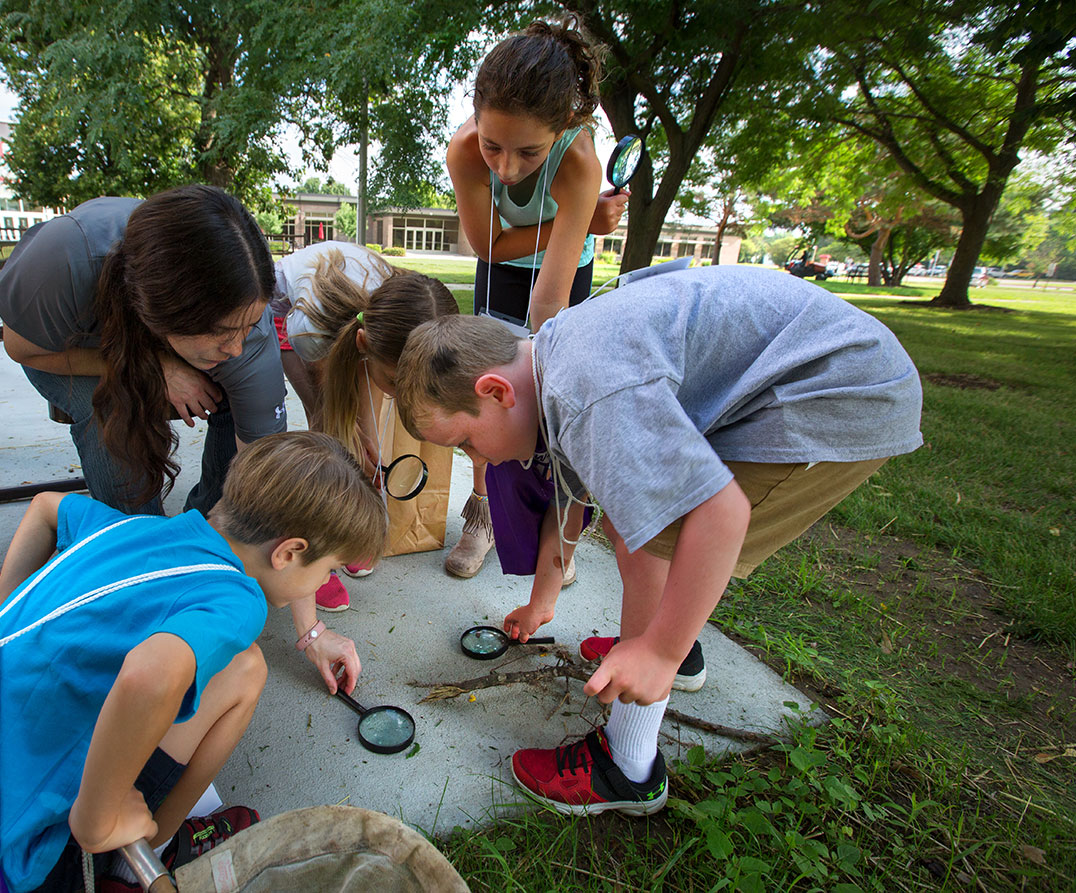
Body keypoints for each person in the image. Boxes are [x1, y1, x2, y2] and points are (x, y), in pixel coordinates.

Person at [395, 265, 923, 816]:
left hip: (838, 390)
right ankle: (680, 655)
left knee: (654, 537)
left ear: (496, 390)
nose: (479, 462)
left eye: (467, 443)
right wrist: (541, 604)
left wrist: (657, 650)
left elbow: (719, 513)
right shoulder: (550, 360)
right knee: (640, 512)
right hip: (813, 368)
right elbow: (572, 499)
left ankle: (628, 764)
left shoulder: (587, 394)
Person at [0, 431, 385, 891]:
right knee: (248, 670)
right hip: (19, 844)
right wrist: (98, 819)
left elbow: (46, 508)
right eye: (328, 569)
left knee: (232, 664)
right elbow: (149, 674)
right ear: (288, 553)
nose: (325, 579)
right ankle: (140, 856)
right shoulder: (236, 599)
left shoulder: (141, 529)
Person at [444, 15, 628, 582]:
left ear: (565, 125)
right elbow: (487, 244)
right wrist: (583, 219)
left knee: (547, 387)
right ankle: (483, 512)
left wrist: (542, 373)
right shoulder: (465, 153)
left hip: (564, 271)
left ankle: (553, 524)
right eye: (494, 145)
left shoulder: (578, 160)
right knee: (484, 392)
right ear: (476, 118)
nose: (506, 167)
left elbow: (549, 302)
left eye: (528, 153)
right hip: (498, 262)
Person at [0, 185, 287, 516]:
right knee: (115, 400)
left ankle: (202, 528)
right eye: (222, 332)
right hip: (70, 351)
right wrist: (151, 368)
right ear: (166, 309)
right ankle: (135, 533)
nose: (235, 348)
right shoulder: (67, 258)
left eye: (246, 326)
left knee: (240, 396)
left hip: (160, 340)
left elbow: (262, 462)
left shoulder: (249, 330)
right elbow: (21, 348)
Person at [271, 241, 457, 610]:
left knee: (356, 440)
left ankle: (343, 528)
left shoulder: (402, 313)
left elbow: (366, 379)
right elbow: (342, 386)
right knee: (323, 431)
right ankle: (317, 557)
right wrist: (341, 443)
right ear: (365, 344)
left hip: (348, 323)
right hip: (291, 318)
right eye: (397, 381)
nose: (404, 394)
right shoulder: (313, 332)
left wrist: (366, 442)